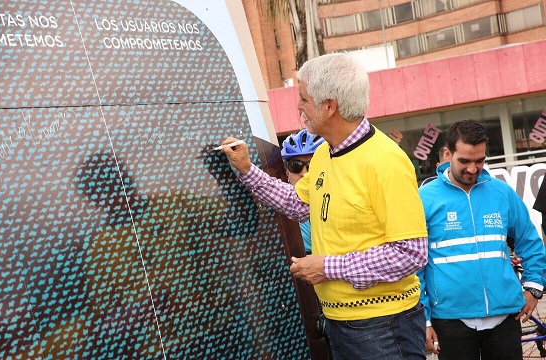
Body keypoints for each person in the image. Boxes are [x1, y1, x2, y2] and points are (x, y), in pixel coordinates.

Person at [220, 52, 429, 359]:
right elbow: (296, 202)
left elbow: (410, 252)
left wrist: (327, 267)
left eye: (304, 98)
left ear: (329, 106)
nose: (299, 106)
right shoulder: (324, 155)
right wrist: (247, 169)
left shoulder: (386, 162)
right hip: (340, 324)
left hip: (383, 328)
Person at [418, 120, 546, 360]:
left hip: (505, 318)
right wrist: (423, 320)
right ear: (448, 154)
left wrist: (534, 288)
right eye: (464, 161)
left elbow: (529, 240)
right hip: (450, 321)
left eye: (480, 161)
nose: (473, 169)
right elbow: (415, 265)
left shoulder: (501, 192)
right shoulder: (424, 199)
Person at [281, 129, 325, 254]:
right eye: (296, 166)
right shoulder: (278, 204)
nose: (304, 173)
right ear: (287, 172)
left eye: (311, 166)